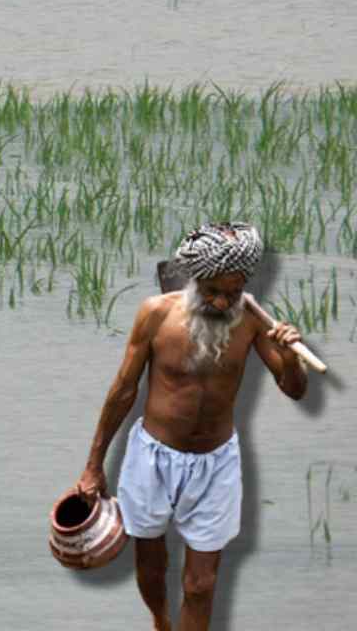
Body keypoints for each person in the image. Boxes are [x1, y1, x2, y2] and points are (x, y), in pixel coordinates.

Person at [77, 222, 308, 631]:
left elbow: (294, 390)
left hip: (216, 463)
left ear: (244, 285)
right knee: (150, 566)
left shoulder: (254, 321)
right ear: (194, 279)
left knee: (201, 584)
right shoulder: (155, 314)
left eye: (232, 292)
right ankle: (161, 622)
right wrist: (94, 464)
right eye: (211, 291)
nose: (221, 303)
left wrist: (291, 358)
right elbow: (122, 392)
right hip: (152, 456)